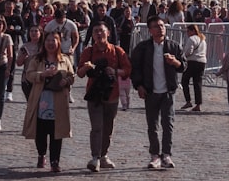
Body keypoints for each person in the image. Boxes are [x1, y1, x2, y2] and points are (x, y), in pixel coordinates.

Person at [130, 14, 186, 169]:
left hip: (168, 91)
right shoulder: (143, 48)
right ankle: (155, 155)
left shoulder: (174, 46)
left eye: (162, 26)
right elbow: (135, 68)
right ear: (150, 30)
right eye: (156, 26)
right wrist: (138, 85)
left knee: (168, 124)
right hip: (150, 91)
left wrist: (175, 62)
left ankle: (167, 154)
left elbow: (183, 66)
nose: (160, 29)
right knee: (152, 125)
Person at [77, 23, 132, 172]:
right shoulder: (88, 51)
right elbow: (80, 73)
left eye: (101, 31)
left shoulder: (117, 51)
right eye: (96, 31)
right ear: (93, 35)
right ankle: (95, 157)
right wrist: (87, 67)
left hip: (111, 93)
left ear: (108, 33)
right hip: (94, 94)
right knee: (97, 127)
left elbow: (127, 69)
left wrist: (114, 72)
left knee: (108, 128)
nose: (99, 34)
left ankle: (103, 155)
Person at [22, 30, 74, 172]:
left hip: (58, 101)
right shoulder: (37, 60)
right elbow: (29, 75)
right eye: (48, 40)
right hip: (40, 100)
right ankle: (41, 154)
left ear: (58, 43)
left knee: (56, 131)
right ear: (44, 43)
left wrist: (66, 81)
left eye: (54, 40)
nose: (51, 43)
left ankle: (55, 161)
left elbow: (72, 75)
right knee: (41, 131)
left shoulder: (64, 59)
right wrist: (42, 75)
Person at [180, 23, 207, 112]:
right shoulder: (203, 39)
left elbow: (189, 51)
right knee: (197, 83)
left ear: (192, 31)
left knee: (184, 81)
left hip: (192, 62)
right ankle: (198, 104)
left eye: (188, 31)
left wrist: (183, 56)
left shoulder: (191, 39)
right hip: (202, 62)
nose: (187, 33)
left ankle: (188, 101)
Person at [16, 25, 42, 100]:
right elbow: (18, 63)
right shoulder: (25, 46)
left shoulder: (44, 46)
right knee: (30, 102)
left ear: (40, 33)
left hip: (40, 77)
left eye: (36, 31)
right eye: (31, 31)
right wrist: (24, 57)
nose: (33, 33)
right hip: (27, 78)